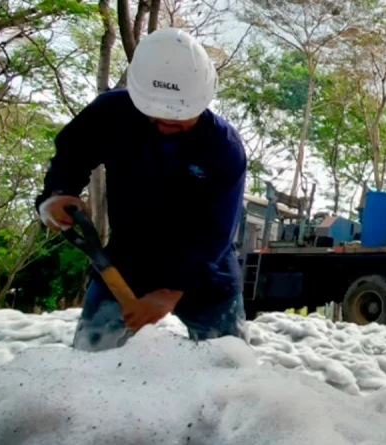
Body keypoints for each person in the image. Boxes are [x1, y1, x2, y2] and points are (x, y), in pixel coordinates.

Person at [35, 28, 247, 351]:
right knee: (88, 361)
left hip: (205, 270)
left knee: (229, 373)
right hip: (127, 260)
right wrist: (57, 191)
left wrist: (171, 291)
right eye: (156, 114)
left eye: (179, 116)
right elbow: (71, 154)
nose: (166, 124)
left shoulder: (224, 148)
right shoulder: (111, 114)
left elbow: (217, 233)